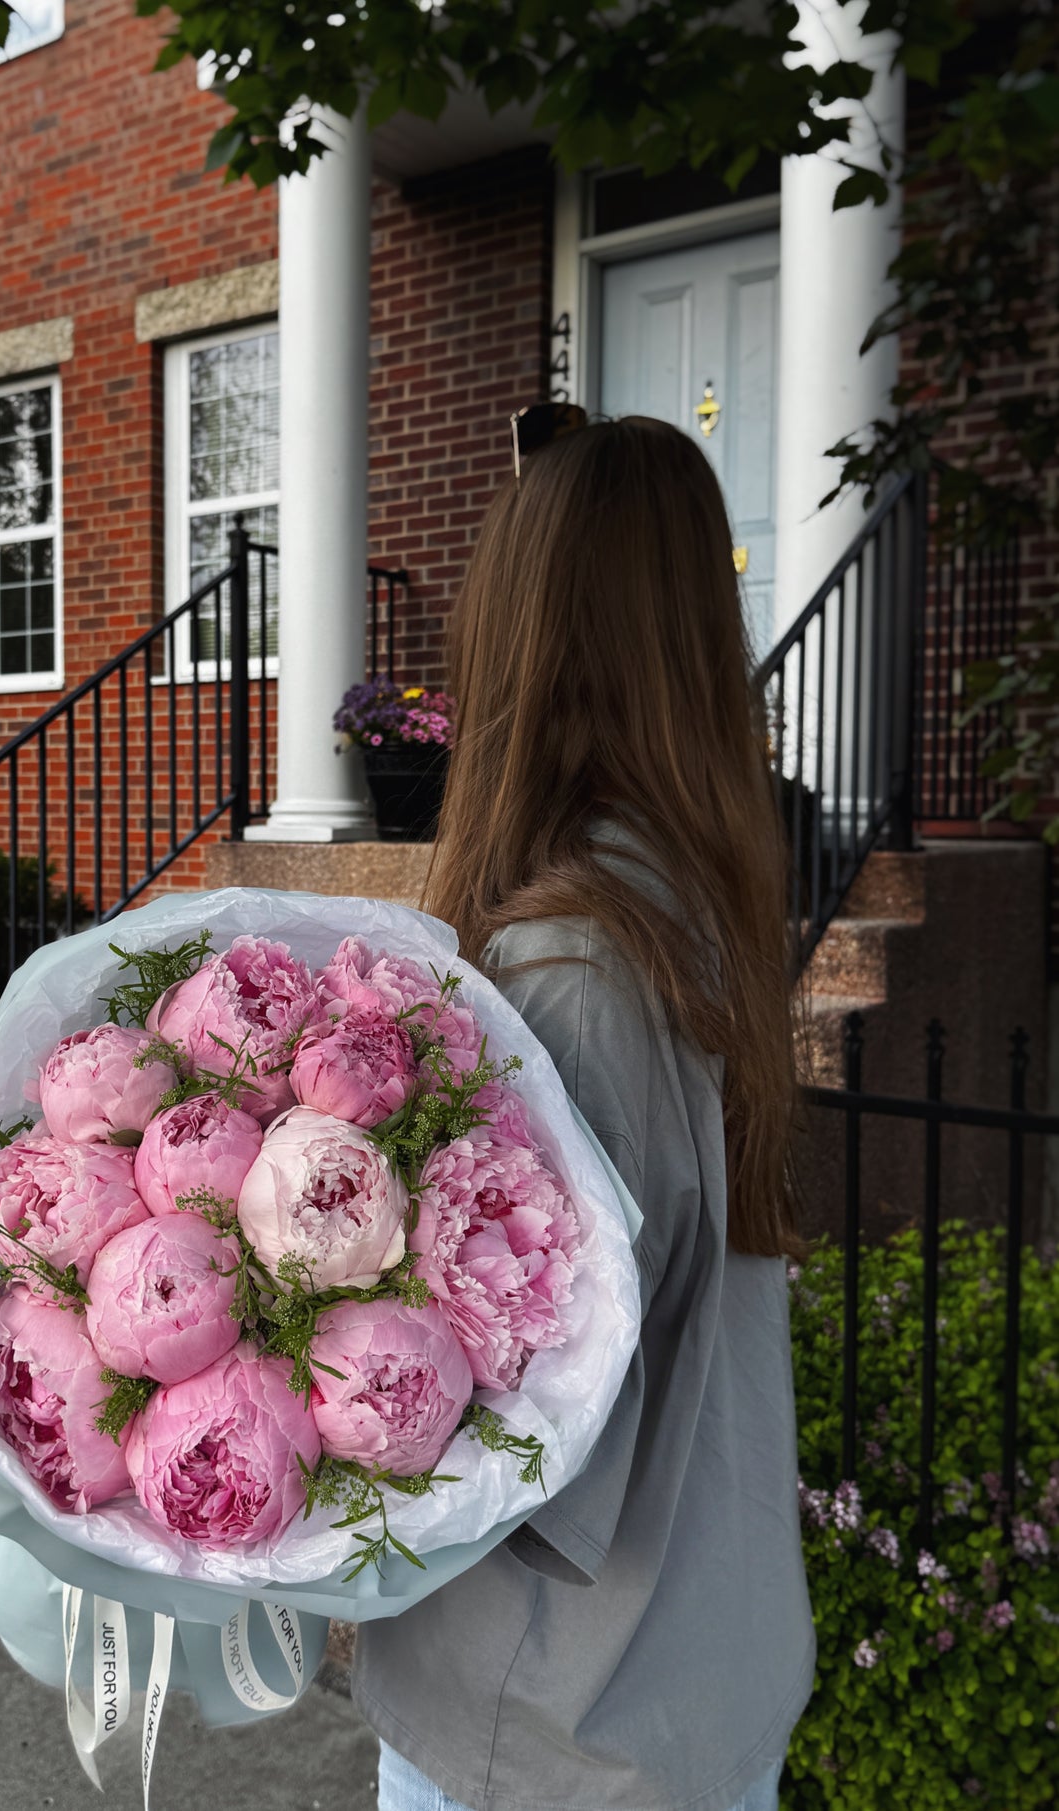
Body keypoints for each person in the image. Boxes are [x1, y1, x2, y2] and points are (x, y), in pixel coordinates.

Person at [353, 409, 815, 1811]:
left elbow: (548, 1411)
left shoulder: (574, 964)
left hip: (562, 1714)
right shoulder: (689, 903)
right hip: (690, 1668)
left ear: (523, 635)